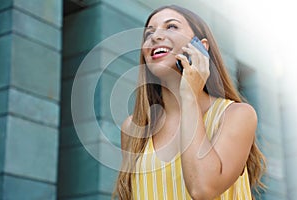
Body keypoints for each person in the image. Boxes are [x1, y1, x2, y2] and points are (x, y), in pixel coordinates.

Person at [113, 4, 266, 200]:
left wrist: (189, 95)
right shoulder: (135, 128)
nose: (155, 37)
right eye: (148, 33)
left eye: (171, 27)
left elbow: (202, 189)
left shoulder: (236, 115)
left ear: (201, 46)